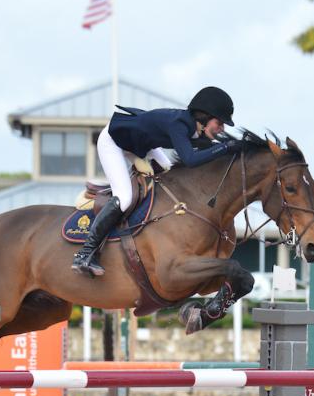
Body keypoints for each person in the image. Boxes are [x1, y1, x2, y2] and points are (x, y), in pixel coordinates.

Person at [72, 86, 243, 277]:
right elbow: (191, 160)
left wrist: (232, 147)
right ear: (204, 117)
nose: (222, 128)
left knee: (168, 171)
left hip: (143, 145)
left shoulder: (196, 129)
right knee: (125, 197)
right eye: (220, 122)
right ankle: (85, 253)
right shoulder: (179, 124)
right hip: (114, 142)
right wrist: (226, 147)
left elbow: (207, 151)